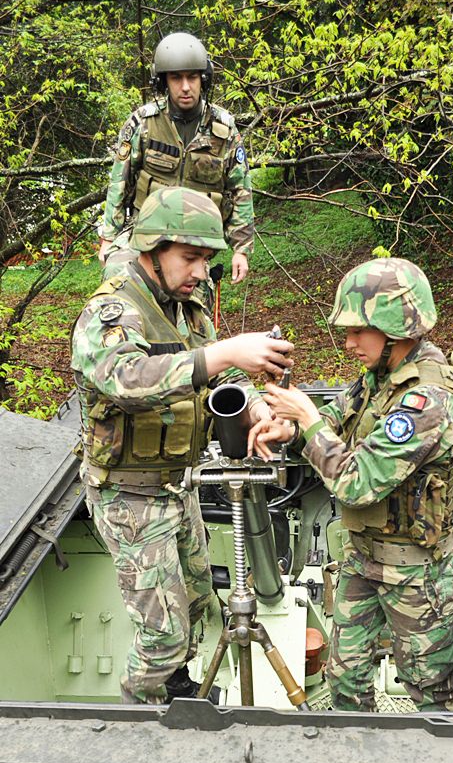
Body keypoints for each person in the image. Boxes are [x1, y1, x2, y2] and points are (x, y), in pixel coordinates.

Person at [71, 186, 292, 704]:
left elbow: (218, 380)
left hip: (178, 484)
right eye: (190, 258)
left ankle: (174, 692)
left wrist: (256, 407)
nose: (200, 272)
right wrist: (222, 353)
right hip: (128, 496)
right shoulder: (111, 311)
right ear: (154, 248)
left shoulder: (186, 309)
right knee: (161, 636)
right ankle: (138, 721)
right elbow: (124, 380)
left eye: (206, 260)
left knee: (194, 606)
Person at [251, 257, 453, 713]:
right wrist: (293, 433)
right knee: (345, 677)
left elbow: (356, 484)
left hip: (416, 572)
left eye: (360, 331)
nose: (349, 342)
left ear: (396, 328)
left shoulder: (427, 400)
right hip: (364, 558)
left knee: (430, 686)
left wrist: (308, 420)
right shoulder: (380, 379)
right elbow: (334, 423)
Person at [98, 31, 253, 293]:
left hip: (196, 243)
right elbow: (119, 182)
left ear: (203, 79)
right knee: (118, 279)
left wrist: (241, 250)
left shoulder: (224, 130)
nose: (185, 86)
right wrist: (108, 238)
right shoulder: (143, 123)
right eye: (176, 78)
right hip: (143, 234)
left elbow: (241, 190)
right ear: (163, 82)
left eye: (192, 77)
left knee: (194, 318)